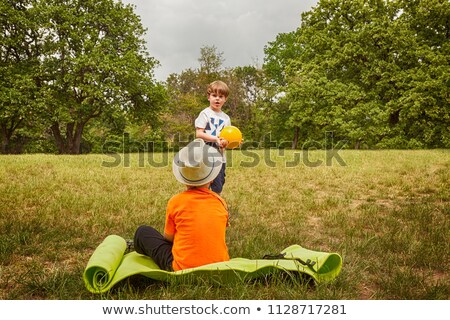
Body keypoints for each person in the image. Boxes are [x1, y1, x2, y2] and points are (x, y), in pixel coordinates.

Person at [133, 139, 230, 271]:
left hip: (182, 268)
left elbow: (169, 238)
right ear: (212, 178)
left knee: (142, 232)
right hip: (220, 266)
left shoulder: (176, 201)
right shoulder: (220, 201)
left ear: (183, 178)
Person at [194, 80, 231, 195]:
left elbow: (226, 138)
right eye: (214, 95)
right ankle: (202, 205)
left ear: (225, 99)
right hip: (205, 155)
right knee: (203, 184)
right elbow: (199, 133)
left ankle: (214, 207)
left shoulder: (226, 118)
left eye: (221, 96)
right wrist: (215, 139)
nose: (217, 99)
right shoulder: (205, 114)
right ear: (208, 97)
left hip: (220, 157)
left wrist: (230, 142)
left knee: (218, 185)